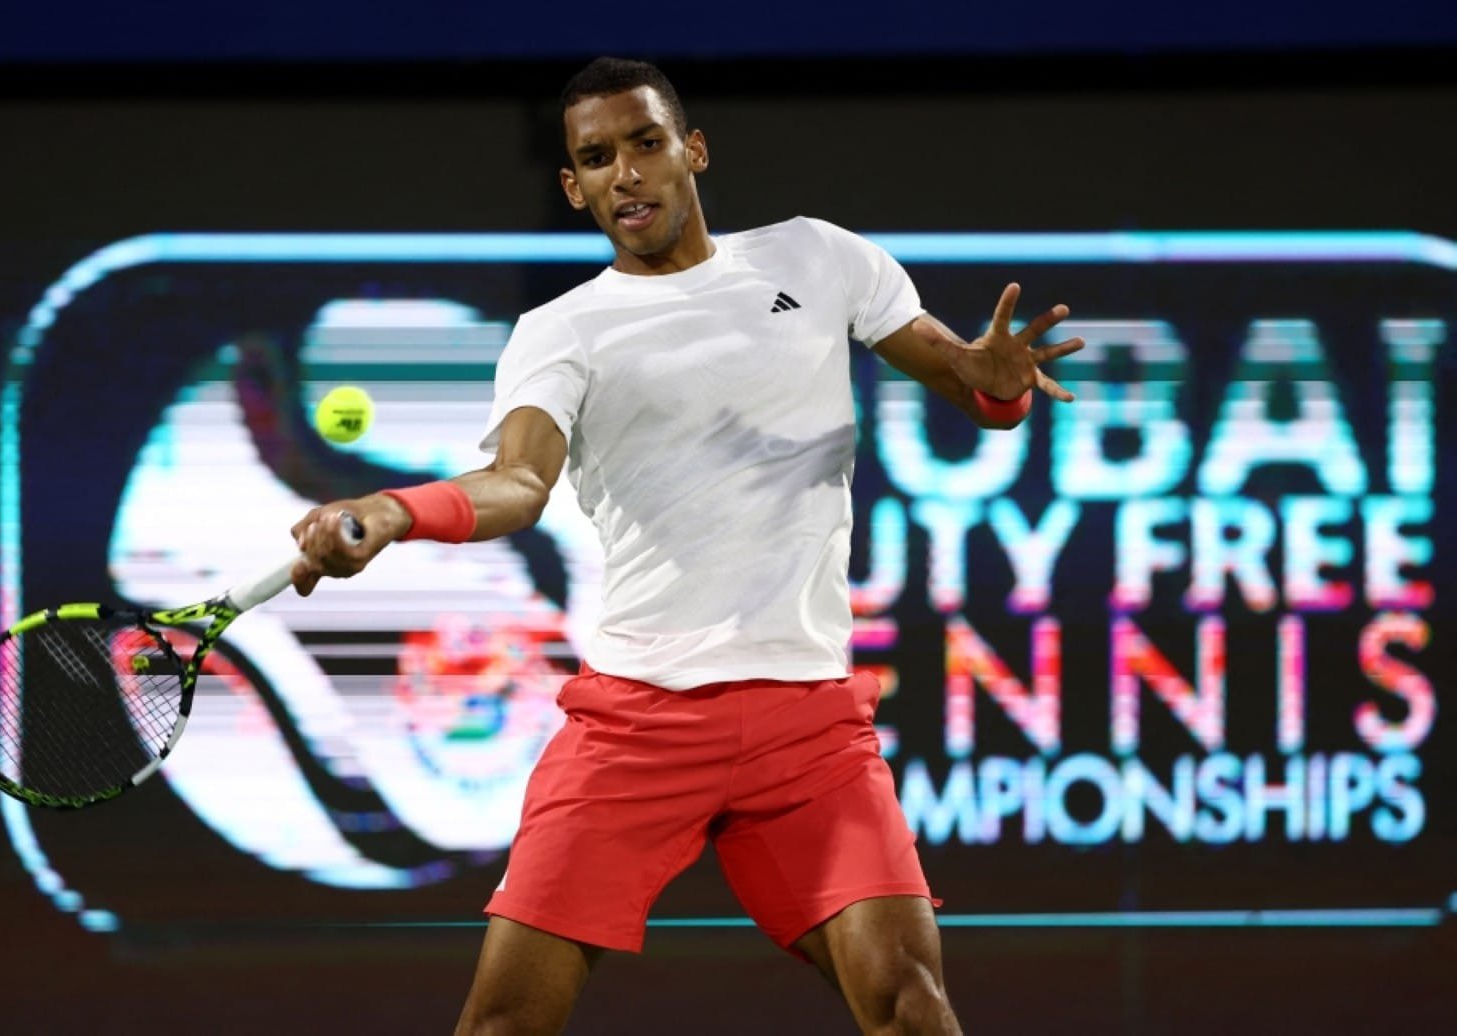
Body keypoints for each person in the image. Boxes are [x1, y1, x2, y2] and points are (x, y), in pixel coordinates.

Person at [290, 56, 1083, 1036]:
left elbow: (976, 390)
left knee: (910, 1004)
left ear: (692, 150)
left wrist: (998, 384)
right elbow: (520, 483)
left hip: (806, 727)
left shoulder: (818, 258)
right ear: (573, 187)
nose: (626, 173)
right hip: (636, 726)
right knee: (502, 1025)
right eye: (596, 159)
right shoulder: (561, 331)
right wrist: (394, 510)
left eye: (646, 143)